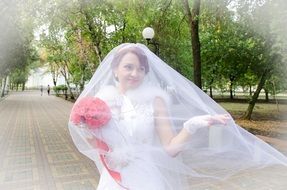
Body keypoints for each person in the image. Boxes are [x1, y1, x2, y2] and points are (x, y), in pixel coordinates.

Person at [68, 43, 287, 190]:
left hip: (146, 178)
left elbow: (171, 149)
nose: (135, 73)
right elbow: (96, 145)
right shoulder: (100, 103)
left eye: (141, 69)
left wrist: (192, 126)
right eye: (128, 67)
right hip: (113, 180)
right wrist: (85, 126)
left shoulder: (155, 100)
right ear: (115, 69)